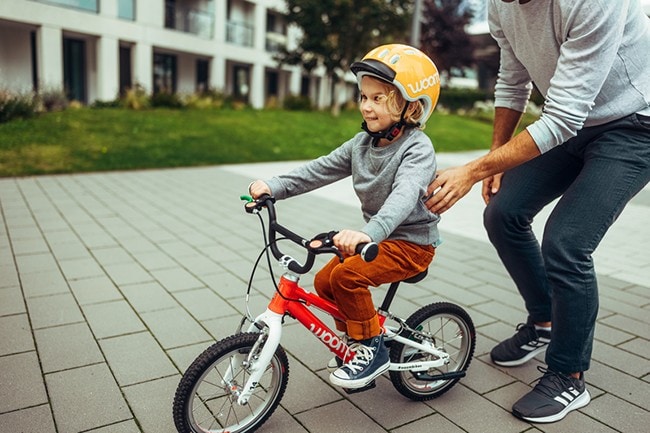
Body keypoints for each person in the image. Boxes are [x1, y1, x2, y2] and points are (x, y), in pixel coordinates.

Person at [425, 0, 650, 424]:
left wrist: (473, 171)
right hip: (575, 122)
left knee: (566, 243)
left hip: (635, 124)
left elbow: (562, 116)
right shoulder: (501, 6)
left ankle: (568, 374)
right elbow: (513, 79)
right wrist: (495, 156)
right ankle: (544, 320)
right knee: (503, 213)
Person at [249, 44, 442, 389]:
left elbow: (404, 195)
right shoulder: (361, 144)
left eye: (378, 98)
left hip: (411, 243)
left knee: (347, 278)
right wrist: (273, 186)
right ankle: (360, 340)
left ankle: (372, 349)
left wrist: (369, 232)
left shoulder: (417, 149)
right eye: (363, 97)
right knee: (325, 282)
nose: (366, 106)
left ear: (411, 105)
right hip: (377, 239)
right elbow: (319, 169)